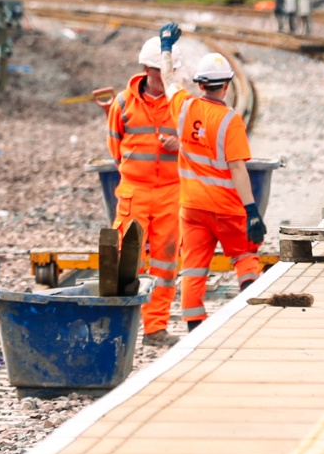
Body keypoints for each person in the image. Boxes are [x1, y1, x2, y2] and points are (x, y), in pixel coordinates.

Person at [170, 52, 264, 331]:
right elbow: (237, 169)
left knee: (194, 267)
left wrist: (166, 50)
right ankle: (250, 306)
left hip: (192, 208)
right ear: (226, 86)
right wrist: (252, 211)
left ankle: (194, 325)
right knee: (245, 254)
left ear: (200, 85)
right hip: (226, 208)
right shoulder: (230, 120)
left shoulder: (184, 107)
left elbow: (167, 82)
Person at [106, 37, 183, 343]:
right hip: (134, 193)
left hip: (170, 192)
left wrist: (180, 146)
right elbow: (115, 149)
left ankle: (155, 328)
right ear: (146, 69)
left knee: (165, 262)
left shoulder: (181, 104)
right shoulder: (123, 103)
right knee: (125, 261)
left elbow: (197, 145)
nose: (163, 79)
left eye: (169, 73)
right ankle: (117, 328)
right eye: (158, 72)